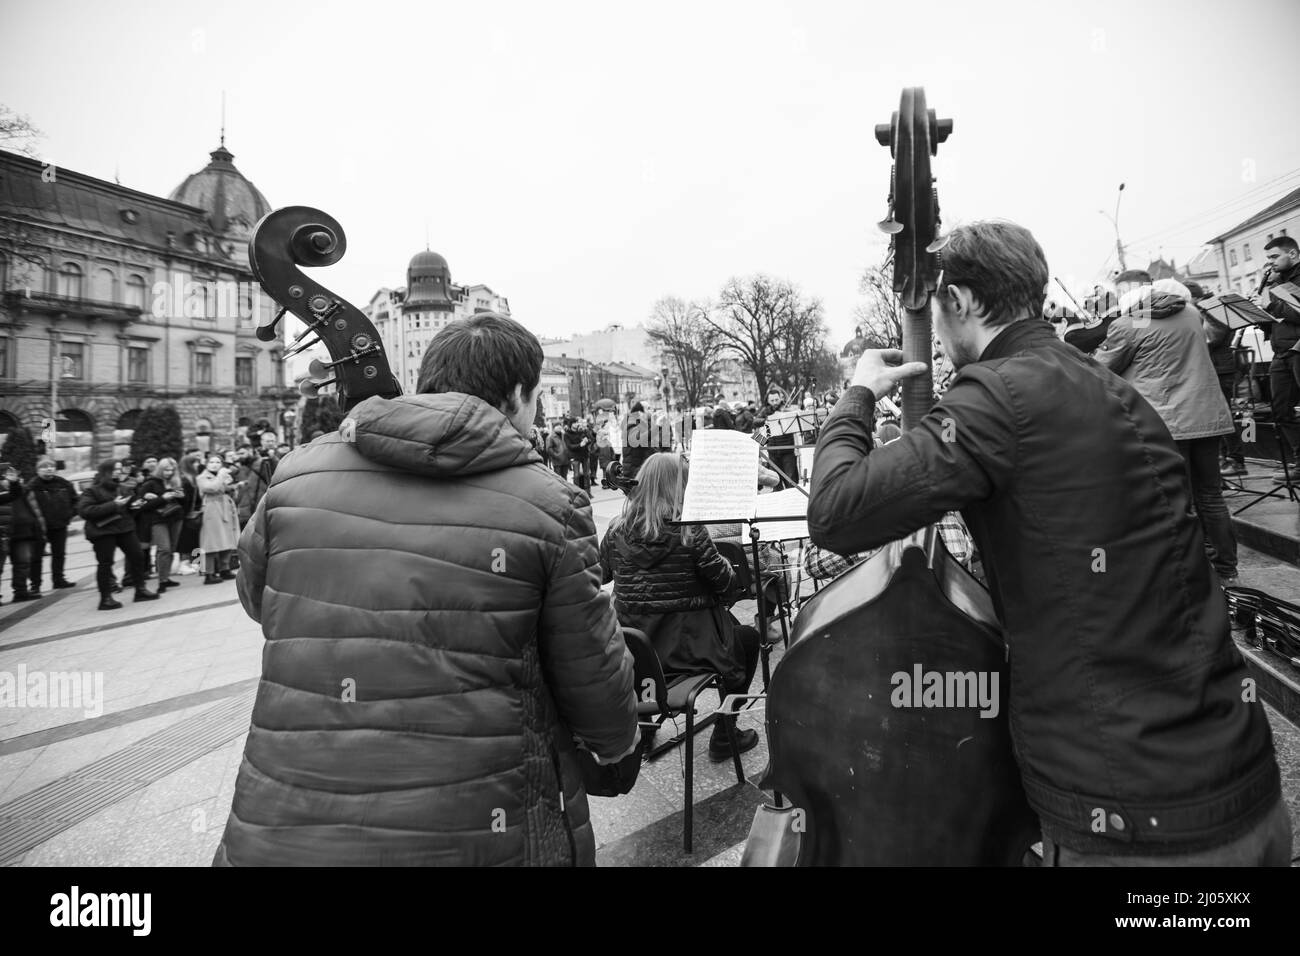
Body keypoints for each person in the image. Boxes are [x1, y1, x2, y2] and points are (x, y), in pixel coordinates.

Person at [809, 220, 1288, 866]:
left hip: (1136, 827)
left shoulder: (996, 396)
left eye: (939, 306)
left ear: (963, 302)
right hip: (1245, 786)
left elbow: (837, 509)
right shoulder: (1111, 388)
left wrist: (860, 393)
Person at [213, 312, 637, 867]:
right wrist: (616, 739)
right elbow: (589, 667)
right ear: (515, 395)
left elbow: (256, 596)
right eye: (534, 400)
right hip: (478, 823)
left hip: (283, 824)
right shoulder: (550, 504)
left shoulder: (298, 475)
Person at [599, 452, 760, 760]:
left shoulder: (616, 529)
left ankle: (646, 727)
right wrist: (723, 562)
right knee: (748, 639)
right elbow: (727, 587)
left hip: (637, 654)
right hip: (689, 652)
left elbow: (601, 573)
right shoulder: (690, 530)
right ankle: (726, 734)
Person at [1094, 278, 1237, 581]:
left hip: (1166, 422)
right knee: (1210, 495)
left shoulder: (1130, 323)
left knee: (1177, 499)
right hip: (1207, 415)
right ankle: (1227, 567)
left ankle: (1191, 571)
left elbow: (1101, 369)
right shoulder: (1191, 314)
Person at [77, 460, 159, 610]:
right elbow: (85, 511)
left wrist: (140, 503)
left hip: (124, 528)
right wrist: (114, 505)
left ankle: (140, 590)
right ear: (106, 471)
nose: (118, 472)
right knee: (106, 564)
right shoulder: (92, 491)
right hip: (103, 531)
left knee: (137, 556)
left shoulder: (122, 488)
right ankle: (105, 598)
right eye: (115, 469)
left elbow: (131, 508)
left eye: (120, 469)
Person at [1251, 236, 1300, 481]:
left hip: (1298, 349)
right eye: (1268, 258)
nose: (1269, 263)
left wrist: (1270, 306)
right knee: (1280, 409)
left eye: (1274, 257)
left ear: (1292, 254)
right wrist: (1256, 312)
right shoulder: (1275, 283)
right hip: (1281, 351)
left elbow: (1298, 313)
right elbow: (1277, 321)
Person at [27, 457, 78, 590]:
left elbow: (76, 501)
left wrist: (69, 514)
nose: (49, 469)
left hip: (60, 525)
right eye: (44, 467)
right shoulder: (32, 486)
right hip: (39, 527)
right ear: (37, 470)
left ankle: (58, 579)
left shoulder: (64, 484)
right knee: (36, 557)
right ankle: (35, 585)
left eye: (51, 466)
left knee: (59, 554)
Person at [137, 457, 187, 590]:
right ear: (160, 469)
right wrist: (162, 499)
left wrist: (181, 497)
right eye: (166, 470)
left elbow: (183, 504)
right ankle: (161, 581)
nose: (169, 473)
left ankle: (165, 578)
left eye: (172, 470)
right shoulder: (151, 483)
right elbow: (139, 505)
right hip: (158, 520)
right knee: (164, 549)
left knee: (171, 549)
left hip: (176, 518)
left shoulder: (175, 481)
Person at [1, 462, 45, 602]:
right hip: (3, 534)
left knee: (23, 563)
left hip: (21, 533)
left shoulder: (21, 490)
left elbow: (33, 509)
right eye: (6, 475)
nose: (9, 478)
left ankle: (21, 592)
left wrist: (39, 528)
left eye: (12, 475)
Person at [196, 454, 241, 584]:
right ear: (206, 464)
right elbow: (211, 488)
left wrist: (234, 487)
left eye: (217, 462)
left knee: (227, 539)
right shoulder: (202, 477)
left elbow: (225, 488)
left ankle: (224, 568)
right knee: (210, 542)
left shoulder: (222, 475)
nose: (215, 464)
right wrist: (221, 476)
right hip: (211, 509)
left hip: (225, 507)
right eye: (211, 462)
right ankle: (208, 573)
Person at [233, 445, 271, 529]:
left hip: (261, 506)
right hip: (244, 510)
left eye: (242, 453)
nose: (239, 456)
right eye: (238, 454)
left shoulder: (263, 463)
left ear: (250, 451)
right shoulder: (239, 468)